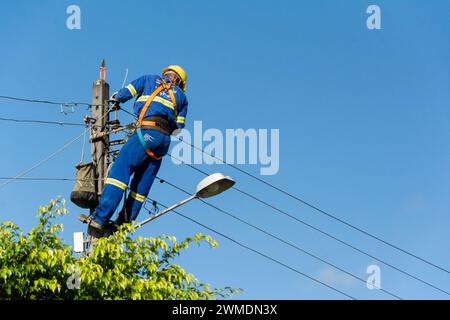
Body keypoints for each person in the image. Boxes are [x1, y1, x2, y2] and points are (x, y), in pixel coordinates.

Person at [78, 65, 188, 234]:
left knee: (119, 174)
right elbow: (178, 128)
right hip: (163, 142)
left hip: (147, 132)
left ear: (166, 73)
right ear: (180, 82)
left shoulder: (149, 79)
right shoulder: (182, 97)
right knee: (140, 187)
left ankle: (100, 218)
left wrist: (115, 99)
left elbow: (125, 93)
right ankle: (122, 226)